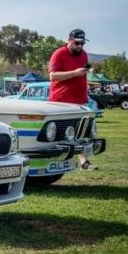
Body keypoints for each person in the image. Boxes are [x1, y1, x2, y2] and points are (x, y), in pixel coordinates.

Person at [48, 29, 98, 170]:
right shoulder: (59, 53)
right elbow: (53, 76)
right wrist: (75, 73)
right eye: (77, 43)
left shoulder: (83, 55)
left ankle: (84, 162)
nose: (80, 46)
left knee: (82, 131)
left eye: (82, 43)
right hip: (61, 100)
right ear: (69, 40)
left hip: (80, 99)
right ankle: (55, 161)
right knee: (61, 132)